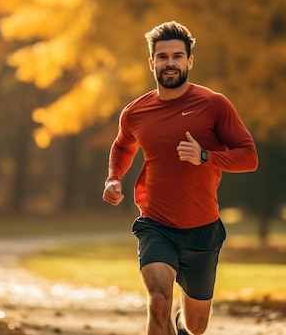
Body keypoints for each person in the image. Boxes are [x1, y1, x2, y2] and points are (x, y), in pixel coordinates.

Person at [102, 21, 258, 335]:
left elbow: (249, 157)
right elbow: (122, 145)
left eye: (176, 56)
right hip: (156, 225)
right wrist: (113, 177)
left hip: (203, 230)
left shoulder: (214, 105)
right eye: (162, 56)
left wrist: (206, 157)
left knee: (196, 327)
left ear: (189, 61)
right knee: (159, 298)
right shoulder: (135, 112)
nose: (169, 62)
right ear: (151, 63)